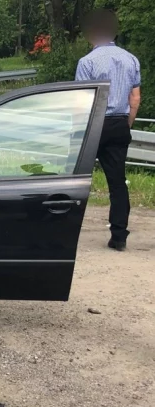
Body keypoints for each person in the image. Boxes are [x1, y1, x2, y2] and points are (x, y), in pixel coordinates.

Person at [75, 8, 142, 251]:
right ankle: (119, 236)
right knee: (117, 182)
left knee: (76, 178)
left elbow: (83, 99)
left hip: (94, 123)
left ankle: (65, 228)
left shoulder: (87, 62)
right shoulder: (131, 59)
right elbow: (135, 98)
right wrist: (126, 125)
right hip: (119, 123)